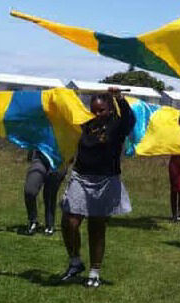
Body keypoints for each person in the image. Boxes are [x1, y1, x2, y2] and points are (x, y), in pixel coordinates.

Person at [58, 88, 135, 288]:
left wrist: (120, 98)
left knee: (96, 226)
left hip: (105, 181)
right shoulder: (86, 123)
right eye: (93, 110)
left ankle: (94, 272)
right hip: (81, 177)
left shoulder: (117, 126)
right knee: (69, 221)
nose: (97, 114)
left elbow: (129, 120)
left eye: (101, 110)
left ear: (110, 110)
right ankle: (75, 262)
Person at [23, 150, 66, 235]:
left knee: (50, 193)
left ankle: (49, 224)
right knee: (29, 191)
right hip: (40, 158)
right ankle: (33, 220)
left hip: (59, 160)